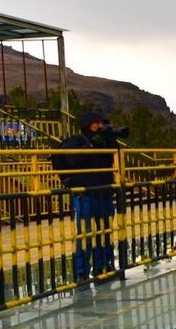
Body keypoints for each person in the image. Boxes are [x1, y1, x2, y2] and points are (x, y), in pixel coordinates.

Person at [50, 111, 123, 281]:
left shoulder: (104, 142)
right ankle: (81, 271)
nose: (100, 126)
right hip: (85, 194)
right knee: (86, 233)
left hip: (104, 192)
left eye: (101, 123)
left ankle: (104, 266)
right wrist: (92, 144)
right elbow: (74, 161)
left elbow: (117, 156)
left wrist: (110, 138)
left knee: (105, 232)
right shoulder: (76, 141)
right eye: (96, 122)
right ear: (87, 124)